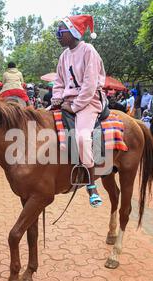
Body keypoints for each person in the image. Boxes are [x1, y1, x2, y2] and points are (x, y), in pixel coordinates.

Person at [52, 14, 105, 208]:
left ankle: (91, 184)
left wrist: (74, 106)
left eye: (60, 31)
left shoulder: (88, 50)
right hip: (67, 101)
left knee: (82, 137)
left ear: (73, 32)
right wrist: (57, 98)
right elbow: (58, 82)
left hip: (88, 101)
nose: (57, 35)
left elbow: (90, 85)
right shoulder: (64, 55)